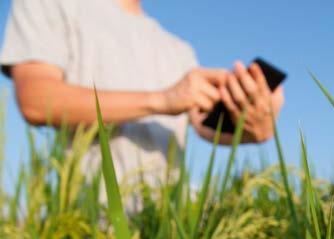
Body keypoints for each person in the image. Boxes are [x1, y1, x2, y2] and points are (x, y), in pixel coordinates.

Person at [0, 0, 284, 200]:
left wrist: (251, 127)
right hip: (89, 223)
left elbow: (202, 125)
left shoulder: (177, 48)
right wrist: (160, 100)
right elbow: (36, 99)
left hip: (165, 229)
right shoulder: (50, 4)